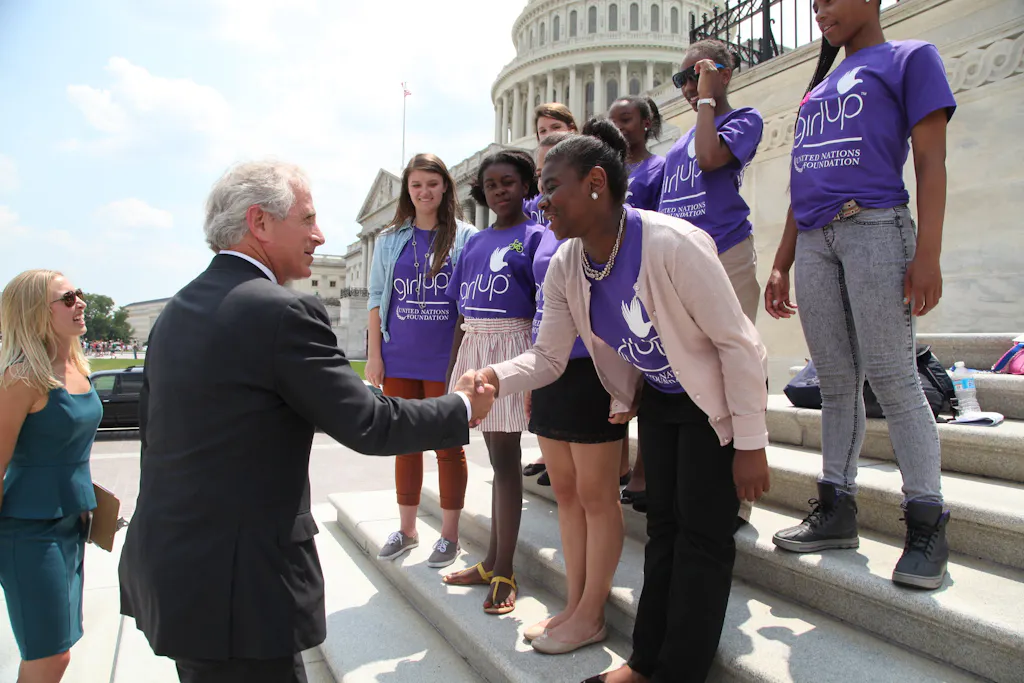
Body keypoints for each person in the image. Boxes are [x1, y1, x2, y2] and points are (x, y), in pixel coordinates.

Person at [117, 160, 496, 683]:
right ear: (260, 222)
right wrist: (460, 406)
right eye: (308, 218)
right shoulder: (281, 313)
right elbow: (369, 424)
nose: (320, 236)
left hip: (174, 571)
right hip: (241, 588)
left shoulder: (180, 309)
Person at [478, 120, 770, 681]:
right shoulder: (567, 262)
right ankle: (644, 663)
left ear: (594, 183)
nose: (542, 201)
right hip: (661, 398)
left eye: (551, 185)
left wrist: (751, 444)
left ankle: (679, 671)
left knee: (703, 541)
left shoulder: (673, 243)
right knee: (662, 531)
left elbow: (740, 346)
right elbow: (548, 357)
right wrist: (493, 376)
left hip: (717, 405)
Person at [765, 0, 955, 590]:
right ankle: (837, 508)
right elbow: (804, 176)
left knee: (894, 376)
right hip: (816, 241)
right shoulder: (821, 86)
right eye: (813, 3)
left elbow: (930, 160)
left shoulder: (909, 58)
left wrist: (928, 254)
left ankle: (927, 523)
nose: (820, 10)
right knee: (836, 380)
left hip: (876, 227)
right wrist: (781, 261)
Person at [516, 130, 631, 654]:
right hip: (552, 361)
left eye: (552, 178)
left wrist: (625, 382)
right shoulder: (546, 231)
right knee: (564, 494)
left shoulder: (616, 224)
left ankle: (593, 612)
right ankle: (574, 601)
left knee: (596, 496)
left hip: (596, 368)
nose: (544, 193)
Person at [441, 150, 545, 615]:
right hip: (475, 348)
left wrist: (537, 379)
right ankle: (489, 562)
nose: (499, 191)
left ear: (527, 185)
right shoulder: (475, 242)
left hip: (511, 351)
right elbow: (460, 317)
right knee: (496, 459)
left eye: (509, 182)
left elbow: (545, 311)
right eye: (491, 185)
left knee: (505, 463)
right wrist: (452, 375)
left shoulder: (538, 235)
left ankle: (503, 569)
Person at [366, 153, 478, 569]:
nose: (424, 192)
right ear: (407, 191)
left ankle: (450, 536)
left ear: (446, 186)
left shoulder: (467, 237)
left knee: (449, 448)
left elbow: (470, 301)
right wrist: (375, 354)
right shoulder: (390, 239)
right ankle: (408, 528)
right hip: (399, 355)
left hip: (444, 358)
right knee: (405, 446)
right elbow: (377, 299)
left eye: (432, 183)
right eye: (416, 185)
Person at [0, 271, 100, 683]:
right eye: (68, 297)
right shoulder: (20, 377)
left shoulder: (77, 369)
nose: (80, 302)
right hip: (28, 531)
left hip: (72, 525)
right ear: (36, 312)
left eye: (79, 294)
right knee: (48, 655)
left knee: (61, 649)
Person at [660, 39, 764, 322]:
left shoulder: (744, 119)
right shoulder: (679, 146)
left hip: (725, 251)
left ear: (725, 75)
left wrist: (706, 100)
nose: (689, 87)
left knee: (733, 353)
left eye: (698, 75)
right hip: (681, 260)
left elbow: (708, 157)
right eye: (681, 79)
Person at [608, 95, 668, 513]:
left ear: (647, 122)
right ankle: (620, 466)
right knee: (617, 382)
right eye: (613, 122)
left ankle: (645, 470)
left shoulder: (658, 168)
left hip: (643, 281)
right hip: (608, 282)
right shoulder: (609, 171)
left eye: (626, 120)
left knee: (647, 381)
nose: (620, 128)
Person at [522, 103, 580, 484]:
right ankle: (549, 454)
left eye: (554, 127)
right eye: (541, 129)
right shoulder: (536, 215)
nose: (546, 134)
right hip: (547, 330)